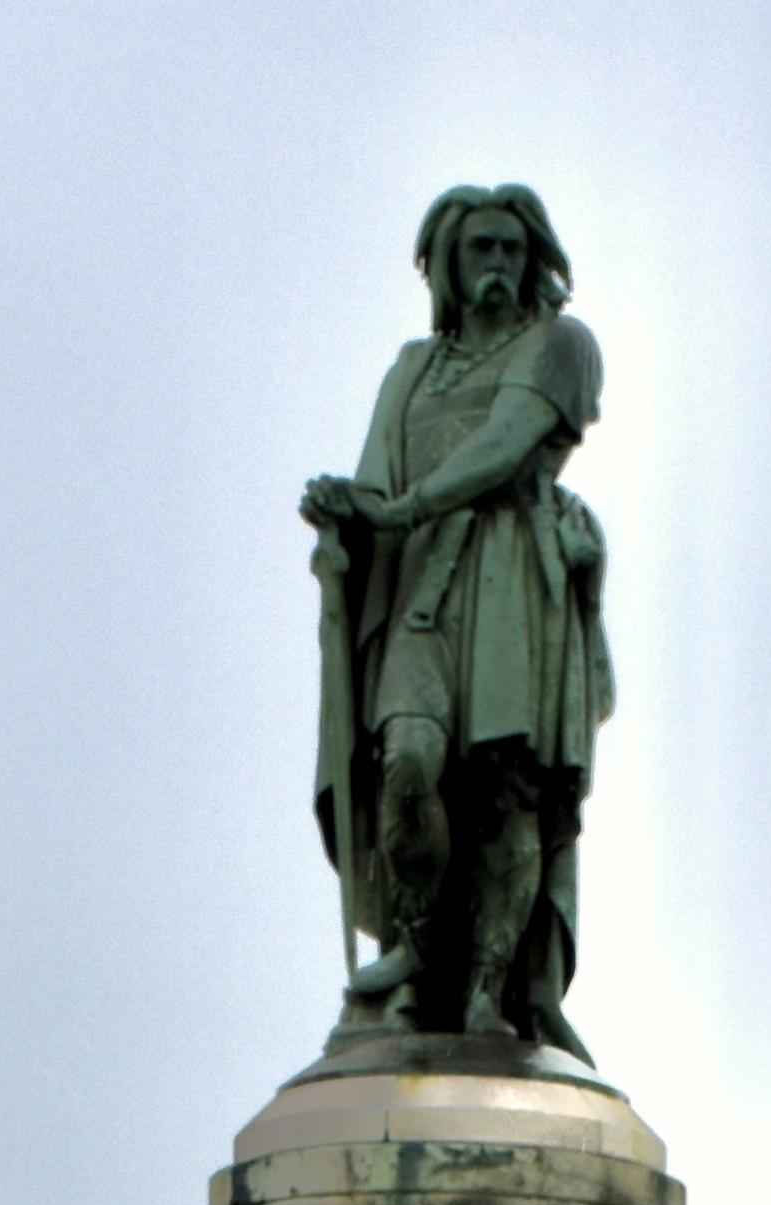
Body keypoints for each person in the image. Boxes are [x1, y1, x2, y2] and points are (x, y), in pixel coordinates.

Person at [299, 183, 613, 1058]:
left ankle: (487, 991)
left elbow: (503, 447)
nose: (499, 266)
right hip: (418, 593)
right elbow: (377, 479)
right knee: (408, 764)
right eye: (481, 249)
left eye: (513, 250)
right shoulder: (410, 372)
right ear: (447, 264)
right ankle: (420, 949)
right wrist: (346, 511)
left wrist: (398, 511)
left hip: (513, 576)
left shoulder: (560, 346)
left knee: (505, 791)